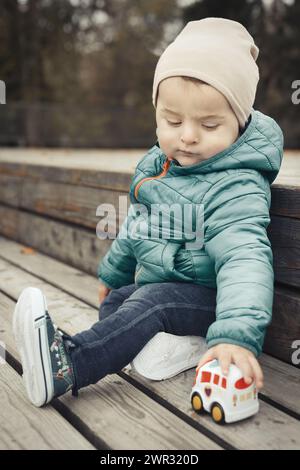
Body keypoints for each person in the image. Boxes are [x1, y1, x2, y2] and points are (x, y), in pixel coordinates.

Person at [13, 17, 284, 407]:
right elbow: (139, 227)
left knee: (151, 303)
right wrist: (114, 271)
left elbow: (245, 259)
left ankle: (68, 365)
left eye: (209, 124)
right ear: (156, 112)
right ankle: (171, 349)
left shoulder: (236, 184)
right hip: (164, 286)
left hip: (212, 298)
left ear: (239, 125)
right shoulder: (159, 166)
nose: (187, 135)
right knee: (119, 301)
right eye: (172, 121)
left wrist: (235, 336)